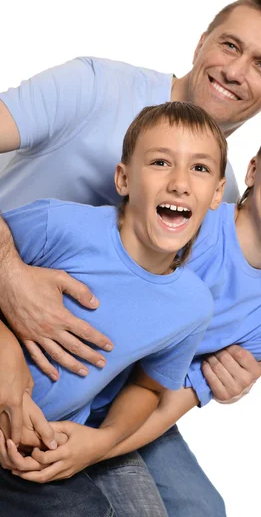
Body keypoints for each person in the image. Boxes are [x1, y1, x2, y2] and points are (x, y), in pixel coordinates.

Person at [0, 0, 261, 513]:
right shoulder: (95, 86)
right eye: (230, 45)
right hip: (10, 313)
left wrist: (226, 369)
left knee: (196, 509)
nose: (235, 71)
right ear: (200, 44)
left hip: (92, 379)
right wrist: (7, 273)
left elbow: (167, 331)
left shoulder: (221, 205)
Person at [1, 110, 261, 517]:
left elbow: (163, 395)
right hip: (52, 382)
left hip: (125, 407)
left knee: (201, 509)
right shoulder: (184, 218)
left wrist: (95, 449)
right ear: (254, 169)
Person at [0, 100, 228, 517]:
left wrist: (100, 442)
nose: (180, 183)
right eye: (161, 162)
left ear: (216, 193)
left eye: (199, 168)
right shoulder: (61, 226)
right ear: (123, 178)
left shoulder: (192, 306)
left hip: (36, 449)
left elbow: (148, 387)